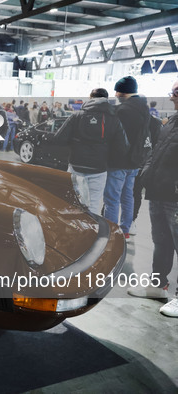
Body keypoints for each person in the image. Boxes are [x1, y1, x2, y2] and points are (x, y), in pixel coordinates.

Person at [127, 80, 178, 318]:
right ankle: (158, 286)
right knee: (161, 243)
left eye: (175, 92)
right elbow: (156, 150)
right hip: (158, 193)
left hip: (174, 197)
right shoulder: (171, 123)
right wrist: (146, 172)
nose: (172, 97)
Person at [52, 88, 129, 214]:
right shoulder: (113, 119)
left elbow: (59, 138)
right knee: (93, 205)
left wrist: (74, 145)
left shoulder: (76, 116)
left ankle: (72, 232)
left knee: (72, 202)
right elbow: (122, 147)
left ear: (90, 98)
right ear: (106, 99)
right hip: (99, 169)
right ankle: (90, 232)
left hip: (76, 166)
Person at [103, 76, 150, 238]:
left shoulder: (123, 111)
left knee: (112, 199)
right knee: (127, 196)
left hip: (119, 162)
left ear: (124, 92)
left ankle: (111, 232)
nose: (115, 94)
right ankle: (125, 230)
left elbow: (116, 137)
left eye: (117, 91)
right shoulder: (144, 108)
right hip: (135, 161)